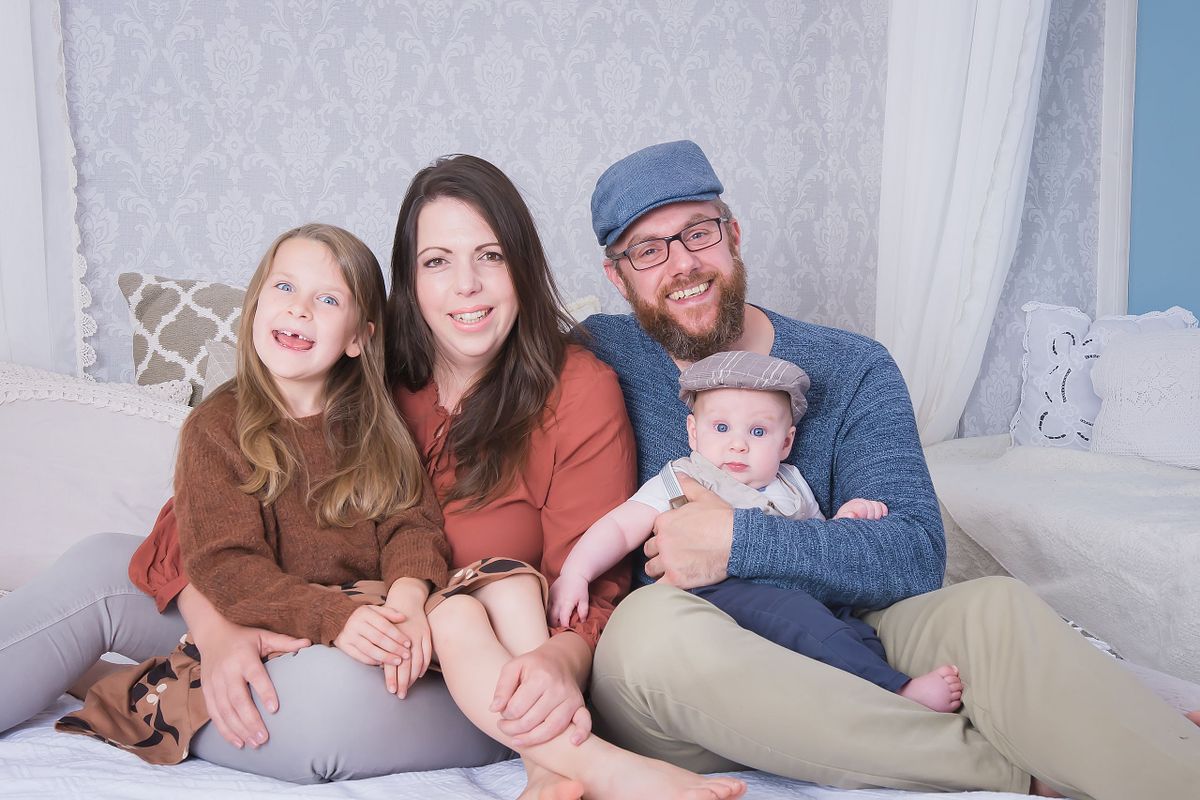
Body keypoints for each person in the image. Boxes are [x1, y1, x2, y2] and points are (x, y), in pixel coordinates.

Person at [581, 139, 1200, 799]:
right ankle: (1020, 769)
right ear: (619, 277)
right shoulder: (596, 355)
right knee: (647, 637)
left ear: (732, 236)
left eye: (698, 233)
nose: (682, 263)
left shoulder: (852, 367)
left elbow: (913, 554)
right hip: (692, 663)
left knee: (992, 607)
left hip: (842, 636)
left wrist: (739, 539)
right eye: (647, 250)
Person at [56, 222, 454, 761]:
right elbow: (226, 564)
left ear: (359, 337)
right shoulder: (217, 426)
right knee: (310, 700)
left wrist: (408, 596)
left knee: (359, 687)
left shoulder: (377, 429)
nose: (299, 309)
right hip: (271, 614)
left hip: (347, 619)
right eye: (285, 287)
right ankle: (109, 685)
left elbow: (412, 523)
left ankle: (114, 681)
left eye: (328, 299)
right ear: (256, 305)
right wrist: (331, 619)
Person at [548, 349, 963, 714]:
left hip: (795, 592)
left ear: (785, 443)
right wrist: (576, 573)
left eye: (758, 432)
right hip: (720, 597)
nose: (738, 445)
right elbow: (621, 527)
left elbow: (814, 543)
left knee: (852, 628)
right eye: (721, 428)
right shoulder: (683, 478)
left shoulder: (791, 485)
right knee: (805, 623)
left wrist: (847, 520)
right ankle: (897, 691)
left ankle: (870, 694)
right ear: (693, 432)